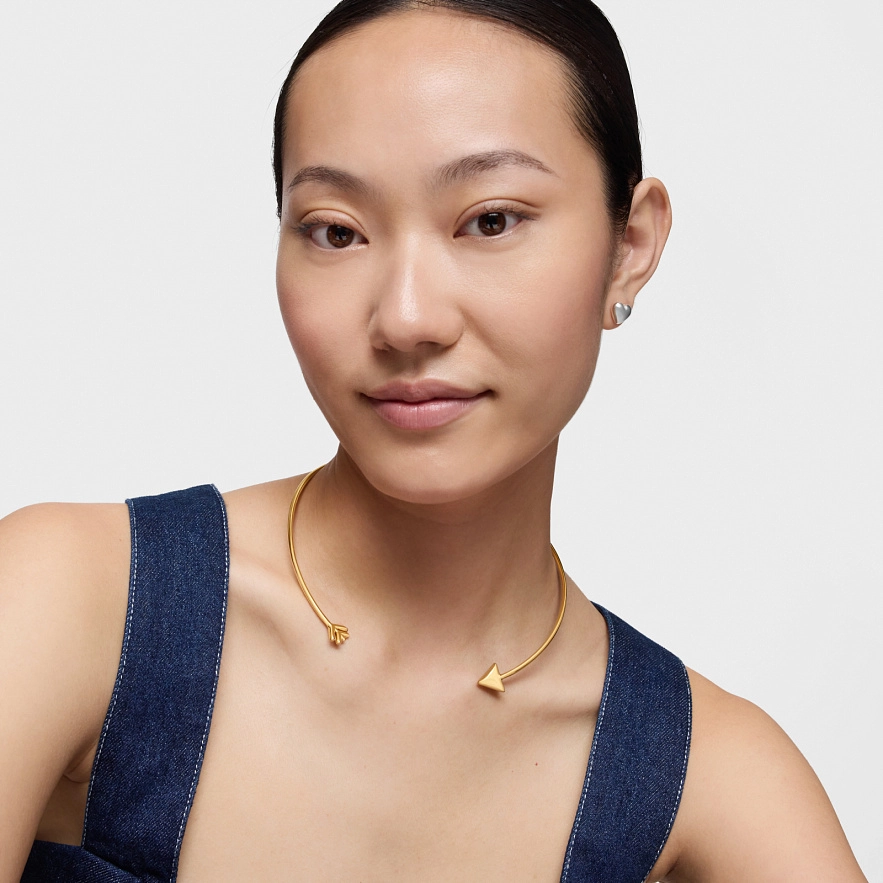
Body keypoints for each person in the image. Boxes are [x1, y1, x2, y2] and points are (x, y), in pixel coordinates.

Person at [0, 0, 870, 880]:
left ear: (629, 245)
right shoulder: (76, 599)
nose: (407, 318)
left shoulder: (711, 780)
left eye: (490, 220)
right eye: (336, 231)